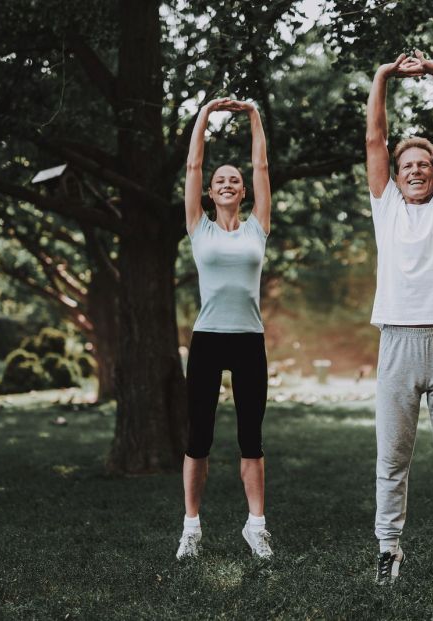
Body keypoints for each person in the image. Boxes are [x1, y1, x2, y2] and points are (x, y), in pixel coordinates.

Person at [366, 51, 433, 589]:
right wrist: (384, 76)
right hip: (397, 343)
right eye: (406, 163)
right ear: (397, 173)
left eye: (423, 163)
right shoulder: (385, 206)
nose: (414, 169)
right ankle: (389, 549)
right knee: (392, 458)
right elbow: (373, 141)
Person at [176, 97, 272, 560]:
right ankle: (191, 527)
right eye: (221, 180)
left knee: (251, 439)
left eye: (235, 179)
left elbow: (262, 165)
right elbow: (193, 164)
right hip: (209, 338)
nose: (229, 182)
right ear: (210, 193)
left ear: (243, 191)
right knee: (199, 438)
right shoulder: (199, 228)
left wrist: (253, 116)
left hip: (250, 340)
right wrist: (206, 114)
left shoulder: (258, 227)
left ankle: (256, 527)